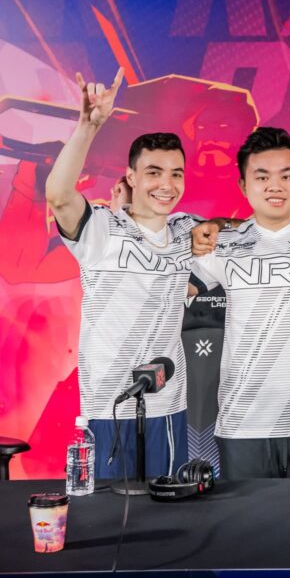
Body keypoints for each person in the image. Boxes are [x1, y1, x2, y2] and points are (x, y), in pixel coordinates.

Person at [45, 69, 195, 478]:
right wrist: (87, 127)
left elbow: (239, 232)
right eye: (153, 172)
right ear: (130, 177)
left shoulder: (187, 230)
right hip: (107, 407)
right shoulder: (102, 229)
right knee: (112, 521)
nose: (167, 184)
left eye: (176, 173)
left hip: (167, 408)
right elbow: (58, 196)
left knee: (168, 519)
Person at [190, 128, 290, 478]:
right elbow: (166, 289)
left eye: (286, 176)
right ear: (244, 186)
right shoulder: (222, 244)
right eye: (262, 177)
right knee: (247, 531)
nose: (275, 186)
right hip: (243, 423)